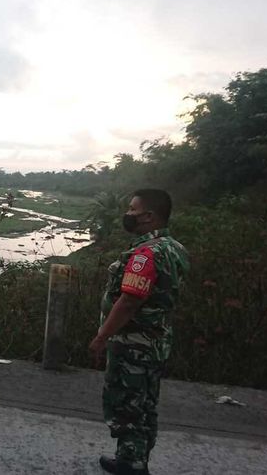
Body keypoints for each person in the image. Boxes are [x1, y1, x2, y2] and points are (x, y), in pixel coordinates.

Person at [89, 189, 190, 475]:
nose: (128, 215)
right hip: (157, 341)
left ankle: (131, 463)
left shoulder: (146, 254)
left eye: (133, 209)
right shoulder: (175, 248)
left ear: (149, 216)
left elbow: (129, 301)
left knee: (127, 402)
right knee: (145, 403)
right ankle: (134, 458)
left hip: (134, 343)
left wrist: (101, 336)